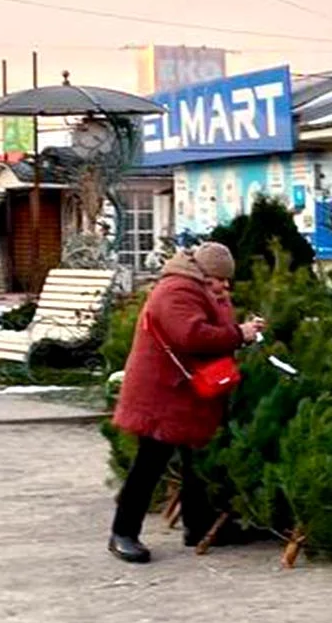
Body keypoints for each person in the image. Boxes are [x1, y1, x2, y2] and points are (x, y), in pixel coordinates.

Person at [108, 241, 265, 563]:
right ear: (204, 273)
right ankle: (122, 533)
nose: (225, 285)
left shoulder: (200, 290)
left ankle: (199, 526)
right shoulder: (176, 291)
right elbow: (191, 335)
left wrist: (240, 332)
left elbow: (210, 330)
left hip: (189, 391)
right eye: (220, 278)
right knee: (149, 464)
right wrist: (240, 333)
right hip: (162, 394)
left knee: (197, 462)